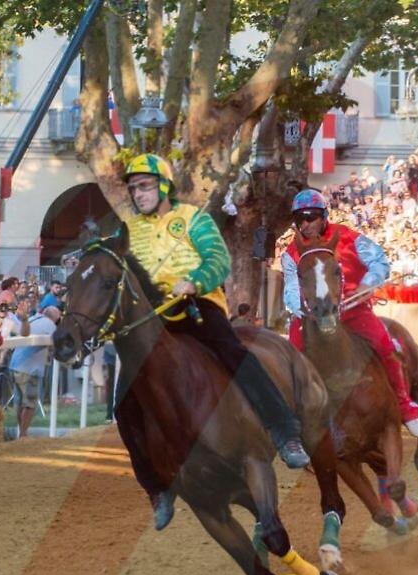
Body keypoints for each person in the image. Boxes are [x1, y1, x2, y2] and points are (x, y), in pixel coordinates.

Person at [120, 153, 311, 530]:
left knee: (235, 355)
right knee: (123, 404)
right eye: (132, 188)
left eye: (143, 186)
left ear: (162, 186)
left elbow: (218, 260)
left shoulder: (194, 219)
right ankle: (157, 488)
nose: (137, 194)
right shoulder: (130, 229)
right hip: (153, 320)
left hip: (197, 307)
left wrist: (193, 281)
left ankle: (285, 433)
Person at [281, 189, 418, 436]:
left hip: (353, 311)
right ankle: (293, 420)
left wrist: (366, 284)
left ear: (324, 216)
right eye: (301, 219)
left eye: (312, 216)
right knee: (290, 359)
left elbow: (380, 261)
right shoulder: (290, 253)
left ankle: (405, 406)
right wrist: (302, 309)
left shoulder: (349, 237)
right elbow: (291, 288)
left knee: (386, 346)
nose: (306, 223)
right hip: (313, 316)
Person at [9, 306, 61, 437]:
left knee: (19, 401)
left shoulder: (32, 318)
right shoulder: (51, 326)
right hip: (30, 368)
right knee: (30, 403)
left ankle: (20, 433)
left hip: (15, 364)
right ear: (56, 318)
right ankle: (23, 434)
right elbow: (56, 346)